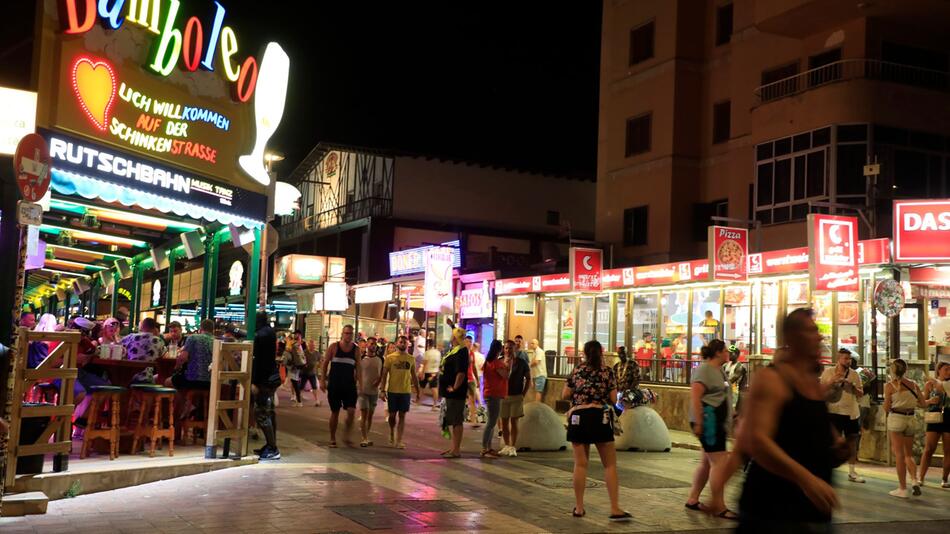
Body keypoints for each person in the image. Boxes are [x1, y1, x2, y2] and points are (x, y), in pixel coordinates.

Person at [736, 309, 839, 532]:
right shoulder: (772, 379)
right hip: (772, 512)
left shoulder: (812, 382)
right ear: (792, 337)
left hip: (814, 512)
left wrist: (838, 449)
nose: (819, 337)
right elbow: (759, 441)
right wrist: (806, 479)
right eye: (811, 330)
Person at [563, 340, 630, 521]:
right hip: (600, 417)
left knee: (580, 464)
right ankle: (615, 508)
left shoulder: (577, 370)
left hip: (579, 418)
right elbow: (614, 398)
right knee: (609, 465)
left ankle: (579, 507)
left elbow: (565, 394)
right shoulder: (607, 372)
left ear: (584, 353)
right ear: (601, 352)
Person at [685, 339, 737, 520]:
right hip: (709, 422)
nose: (728, 353)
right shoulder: (704, 370)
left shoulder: (719, 370)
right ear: (717, 352)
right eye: (725, 350)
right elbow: (696, 396)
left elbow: (722, 395)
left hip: (715, 422)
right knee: (719, 462)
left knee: (707, 462)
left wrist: (733, 413)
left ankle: (693, 499)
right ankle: (719, 506)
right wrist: (699, 423)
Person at [820, 348, 865, 483]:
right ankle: (828, 470)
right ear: (838, 359)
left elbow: (861, 393)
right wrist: (831, 382)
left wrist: (852, 387)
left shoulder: (854, 375)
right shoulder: (828, 372)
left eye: (849, 359)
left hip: (850, 412)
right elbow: (821, 391)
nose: (848, 361)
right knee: (832, 443)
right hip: (833, 411)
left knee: (852, 441)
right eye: (845, 358)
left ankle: (852, 472)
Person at [883, 358, 925, 498]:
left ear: (893, 370)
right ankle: (914, 481)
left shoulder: (890, 386)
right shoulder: (913, 385)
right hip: (911, 419)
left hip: (897, 419)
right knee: (908, 454)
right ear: (906, 370)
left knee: (899, 455)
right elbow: (923, 404)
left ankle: (902, 488)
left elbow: (887, 407)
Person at [320, 324, 361, 448]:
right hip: (335, 384)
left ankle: (346, 435)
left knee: (351, 411)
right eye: (346, 333)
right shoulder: (334, 347)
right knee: (335, 412)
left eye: (350, 333)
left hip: (349, 385)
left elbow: (358, 368)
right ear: (342, 334)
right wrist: (322, 380)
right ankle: (332, 438)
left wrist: (361, 384)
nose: (348, 335)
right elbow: (325, 363)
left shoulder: (356, 349)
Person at [380, 335, 419, 449]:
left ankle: (399, 439)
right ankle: (392, 431)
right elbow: (384, 374)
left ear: (408, 345)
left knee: (402, 415)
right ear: (397, 343)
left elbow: (414, 375)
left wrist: (418, 390)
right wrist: (382, 390)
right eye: (401, 342)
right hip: (392, 390)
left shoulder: (411, 358)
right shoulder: (390, 358)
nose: (403, 344)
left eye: (405, 342)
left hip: (405, 391)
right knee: (392, 415)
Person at [251, 312, 280, 460]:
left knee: (261, 413)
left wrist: (255, 382)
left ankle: (273, 448)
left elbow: (259, 362)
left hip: (265, 380)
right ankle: (271, 445)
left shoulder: (260, 335)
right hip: (272, 377)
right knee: (269, 413)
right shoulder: (270, 332)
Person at [438, 326, 470, 458]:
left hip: (456, 392)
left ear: (455, 338)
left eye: (452, 335)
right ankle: (453, 448)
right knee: (452, 419)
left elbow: (461, 372)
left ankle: (456, 449)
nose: (450, 337)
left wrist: (455, 387)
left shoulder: (461, 352)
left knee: (457, 420)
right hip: (449, 391)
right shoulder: (454, 350)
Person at [918, 361, 950, 488]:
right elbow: (922, 402)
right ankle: (921, 477)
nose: (948, 372)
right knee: (929, 448)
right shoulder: (930, 384)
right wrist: (930, 401)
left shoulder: (944, 384)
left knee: (948, 450)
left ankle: (944, 479)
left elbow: (942, 387)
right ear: (939, 371)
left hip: (948, 416)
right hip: (934, 416)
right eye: (946, 369)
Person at [500, 339, 530, 457]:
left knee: (514, 421)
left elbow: (528, 378)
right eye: (506, 348)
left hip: (516, 395)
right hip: (502, 396)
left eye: (510, 348)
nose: (508, 350)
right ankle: (506, 445)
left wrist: (523, 393)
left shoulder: (521, 362)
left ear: (515, 349)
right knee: (504, 421)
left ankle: (513, 446)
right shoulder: (500, 361)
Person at [166, 319, 214, 390]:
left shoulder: (192, 337)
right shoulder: (216, 341)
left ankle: (184, 401)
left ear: (200, 329)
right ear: (213, 330)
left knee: (167, 382)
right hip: (211, 382)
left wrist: (176, 368)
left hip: (192, 379)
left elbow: (182, 358)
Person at [480, 340, 507, 458]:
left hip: (489, 393)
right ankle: (485, 447)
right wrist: (507, 365)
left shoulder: (488, 362)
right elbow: (506, 376)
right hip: (494, 394)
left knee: (492, 421)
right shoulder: (496, 363)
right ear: (499, 350)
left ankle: (488, 447)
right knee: (491, 422)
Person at [358, 337, 383, 447]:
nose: (373, 346)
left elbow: (382, 373)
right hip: (363, 391)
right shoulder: (361, 358)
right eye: (371, 344)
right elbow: (356, 373)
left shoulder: (380, 359)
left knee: (370, 415)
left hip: (374, 391)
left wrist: (379, 382)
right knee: (364, 414)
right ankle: (363, 438)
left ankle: (367, 436)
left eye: (375, 344)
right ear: (367, 345)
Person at [724, 344, 748, 417]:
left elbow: (732, 380)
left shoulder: (740, 367)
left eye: (731, 353)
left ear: (737, 354)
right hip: (726, 391)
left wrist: (720, 384)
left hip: (736, 394)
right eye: (729, 353)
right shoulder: (726, 365)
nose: (729, 355)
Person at [464, 336, 482, 425]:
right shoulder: (460, 352)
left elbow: (474, 367)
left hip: (470, 378)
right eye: (467, 341)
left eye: (470, 342)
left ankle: (473, 420)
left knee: (472, 399)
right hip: (462, 379)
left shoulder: (471, 353)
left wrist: (477, 380)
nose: (469, 343)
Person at [420, 340, 441, 410]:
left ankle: (419, 401)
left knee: (422, 387)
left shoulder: (427, 353)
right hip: (435, 372)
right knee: (434, 388)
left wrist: (422, 373)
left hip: (427, 371)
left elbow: (425, 363)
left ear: (428, 345)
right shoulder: (438, 353)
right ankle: (434, 404)